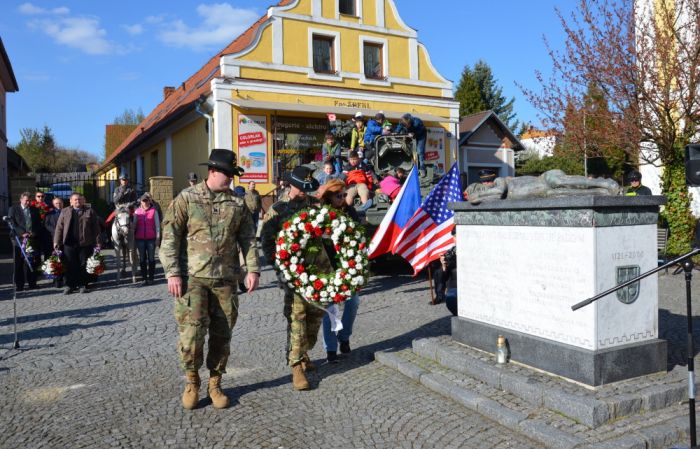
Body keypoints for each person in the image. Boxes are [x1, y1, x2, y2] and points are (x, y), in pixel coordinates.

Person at [160, 149, 260, 410]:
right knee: (191, 335)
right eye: (226, 174)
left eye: (232, 174)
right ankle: (192, 381)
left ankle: (215, 383)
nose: (230, 179)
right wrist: (172, 272)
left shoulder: (237, 204)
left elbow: (248, 240)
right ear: (212, 172)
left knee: (222, 334)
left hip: (226, 279)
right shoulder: (187, 198)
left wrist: (253, 270)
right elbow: (170, 236)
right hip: (193, 279)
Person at [261, 165, 328, 391]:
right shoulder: (278, 210)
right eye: (301, 188)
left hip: (318, 273)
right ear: (291, 185)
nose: (303, 192)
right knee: (296, 318)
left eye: (306, 189)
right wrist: (281, 268)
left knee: (314, 320)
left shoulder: (315, 206)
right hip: (294, 274)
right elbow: (267, 242)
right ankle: (296, 366)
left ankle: (305, 352)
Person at [316, 179, 361, 363]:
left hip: (347, 266)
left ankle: (344, 335)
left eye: (344, 195)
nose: (343, 198)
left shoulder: (349, 212)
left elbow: (359, 235)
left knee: (353, 303)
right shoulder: (320, 215)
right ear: (329, 197)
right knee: (330, 309)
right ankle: (331, 349)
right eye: (339, 196)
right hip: (327, 267)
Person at [54, 193, 103, 294]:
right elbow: (59, 227)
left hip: (85, 243)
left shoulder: (90, 211)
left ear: (83, 201)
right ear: (71, 201)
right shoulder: (65, 211)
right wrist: (56, 241)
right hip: (69, 243)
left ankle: (83, 285)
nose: (78, 202)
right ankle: (69, 285)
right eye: (75, 200)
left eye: (79, 200)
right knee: (69, 264)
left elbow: (96, 229)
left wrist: (98, 242)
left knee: (83, 264)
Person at [8, 192, 42, 291]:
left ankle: (32, 283)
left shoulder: (34, 210)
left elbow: (38, 224)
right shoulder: (13, 209)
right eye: (26, 200)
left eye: (29, 200)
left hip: (31, 239)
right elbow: (12, 223)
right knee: (19, 263)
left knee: (32, 262)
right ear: (21, 199)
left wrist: (34, 233)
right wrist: (22, 233)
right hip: (19, 240)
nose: (27, 202)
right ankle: (19, 285)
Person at [134, 194, 160, 286]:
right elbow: (134, 226)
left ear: (149, 201)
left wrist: (158, 238)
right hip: (140, 239)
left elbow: (157, 226)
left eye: (146, 200)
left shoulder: (154, 211)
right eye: (143, 201)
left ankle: (151, 278)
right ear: (140, 202)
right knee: (142, 259)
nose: (145, 202)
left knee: (151, 258)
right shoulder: (137, 212)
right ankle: (144, 278)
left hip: (151, 239)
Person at [44, 196, 64, 288]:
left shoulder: (66, 212)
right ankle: (56, 280)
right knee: (55, 260)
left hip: (65, 240)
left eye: (60, 203)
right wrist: (56, 231)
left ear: (62, 203)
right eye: (56, 203)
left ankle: (65, 279)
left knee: (64, 260)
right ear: (53, 204)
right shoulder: (49, 214)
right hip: (53, 240)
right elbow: (46, 225)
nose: (58, 205)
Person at [31, 191, 53, 260]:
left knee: (47, 251)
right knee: (36, 252)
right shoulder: (31, 207)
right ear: (35, 197)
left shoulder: (48, 206)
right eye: (38, 196)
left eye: (42, 196)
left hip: (45, 232)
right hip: (35, 232)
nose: (40, 198)